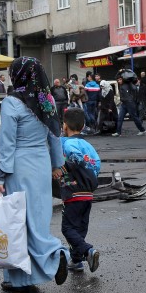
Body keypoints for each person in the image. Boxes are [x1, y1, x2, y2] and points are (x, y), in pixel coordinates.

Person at [0, 57, 70, 291]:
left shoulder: (12, 103)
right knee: (37, 218)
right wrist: (57, 164)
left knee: (18, 222)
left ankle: (55, 254)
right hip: (41, 164)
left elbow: (7, 145)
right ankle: (22, 278)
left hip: (19, 166)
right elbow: (55, 134)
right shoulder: (47, 99)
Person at [55, 107, 101, 273]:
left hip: (73, 191)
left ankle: (88, 250)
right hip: (87, 194)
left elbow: (74, 157)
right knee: (80, 229)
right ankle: (76, 261)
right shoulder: (88, 145)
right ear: (82, 126)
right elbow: (97, 166)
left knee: (67, 228)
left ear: (65, 126)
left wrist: (64, 167)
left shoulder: (69, 143)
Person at [112, 71, 146, 137]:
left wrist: (131, 99)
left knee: (134, 117)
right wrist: (120, 72)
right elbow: (116, 76)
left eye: (120, 80)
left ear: (123, 79)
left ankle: (142, 130)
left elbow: (134, 88)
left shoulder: (129, 84)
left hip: (130, 103)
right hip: (124, 103)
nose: (119, 81)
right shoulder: (121, 85)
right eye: (118, 80)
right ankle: (118, 132)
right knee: (120, 117)